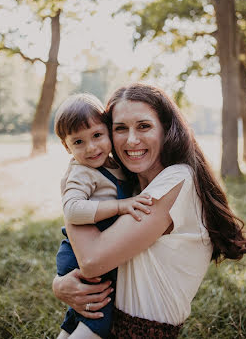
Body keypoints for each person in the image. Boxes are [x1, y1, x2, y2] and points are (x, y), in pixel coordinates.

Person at [53, 83, 246, 338]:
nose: (132, 139)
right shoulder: (133, 187)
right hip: (108, 321)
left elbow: (91, 261)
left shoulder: (177, 180)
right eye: (120, 129)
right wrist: (60, 284)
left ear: (166, 129)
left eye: (144, 126)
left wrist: (67, 189)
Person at [54, 93, 153, 339]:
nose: (91, 148)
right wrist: (120, 207)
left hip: (96, 249)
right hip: (80, 256)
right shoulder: (81, 172)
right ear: (67, 147)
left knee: (78, 315)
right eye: (78, 142)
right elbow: (73, 210)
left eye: (97, 135)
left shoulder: (113, 165)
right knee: (98, 319)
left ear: (108, 132)